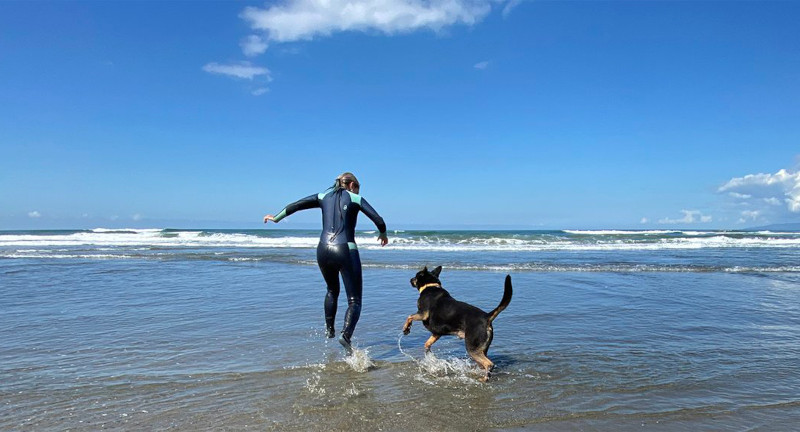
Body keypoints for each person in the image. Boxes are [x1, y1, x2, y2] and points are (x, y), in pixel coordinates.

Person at [264, 172, 389, 354]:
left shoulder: (322, 196)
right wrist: (383, 234)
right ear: (352, 185)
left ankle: (329, 329)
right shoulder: (355, 197)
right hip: (345, 249)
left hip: (323, 249)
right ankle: (345, 335)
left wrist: (275, 218)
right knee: (354, 301)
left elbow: (295, 206)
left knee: (332, 290)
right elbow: (379, 220)